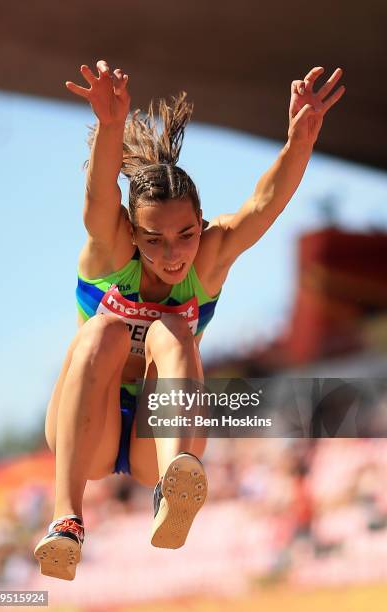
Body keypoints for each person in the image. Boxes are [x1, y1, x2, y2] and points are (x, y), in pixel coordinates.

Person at [33, 60, 345, 580]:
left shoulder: (211, 255)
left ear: (201, 225)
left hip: (159, 439)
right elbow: (99, 197)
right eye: (152, 240)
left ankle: (175, 484)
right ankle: (66, 516)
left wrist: (300, 140)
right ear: (132, 234)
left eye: (184, 235)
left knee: (174, 331)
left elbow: (264, 204)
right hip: (87, 430)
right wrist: (111, 128)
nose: (172, 254)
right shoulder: (109, 250)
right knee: (105, 329)